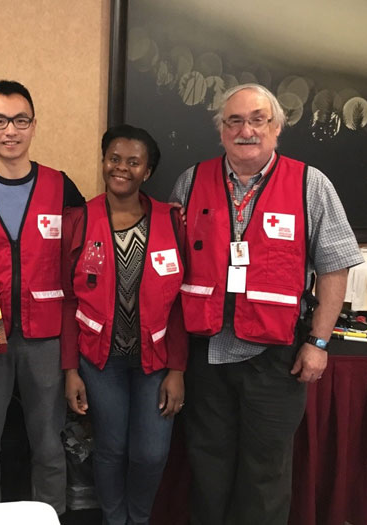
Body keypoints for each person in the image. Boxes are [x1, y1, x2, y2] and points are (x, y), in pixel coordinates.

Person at [170, 83, 363, 525]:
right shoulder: (191, 181)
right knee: (207, 467)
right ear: (222, 131)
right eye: (234, 121)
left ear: (277, 127)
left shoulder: (310, 185)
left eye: (258, 119)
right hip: (207, 354)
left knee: (265, 474)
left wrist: (319, 341)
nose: (246, 130)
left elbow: (336, 267)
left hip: (277, 358)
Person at [0, 80, 85, 514]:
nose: (11, 130)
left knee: (48, 443)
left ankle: (51, 517)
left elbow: (84, 252)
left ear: (33, 126)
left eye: (21, 120)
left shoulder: (60, 186)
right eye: (0, 121)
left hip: (45, 336)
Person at [61, 125, 187, 524]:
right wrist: (70, 370)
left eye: (134, 162)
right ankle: (115, 520)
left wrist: (178, 370)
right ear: (103, 162)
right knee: (111, 449)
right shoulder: (79, 220)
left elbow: (182, 301)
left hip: (156, 362)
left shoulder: (171, 221)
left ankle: (139, 519)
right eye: (114, 159)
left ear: (147, 172)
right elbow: (67, 300)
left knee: (151, 453)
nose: (121, 168)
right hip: (100, 363)